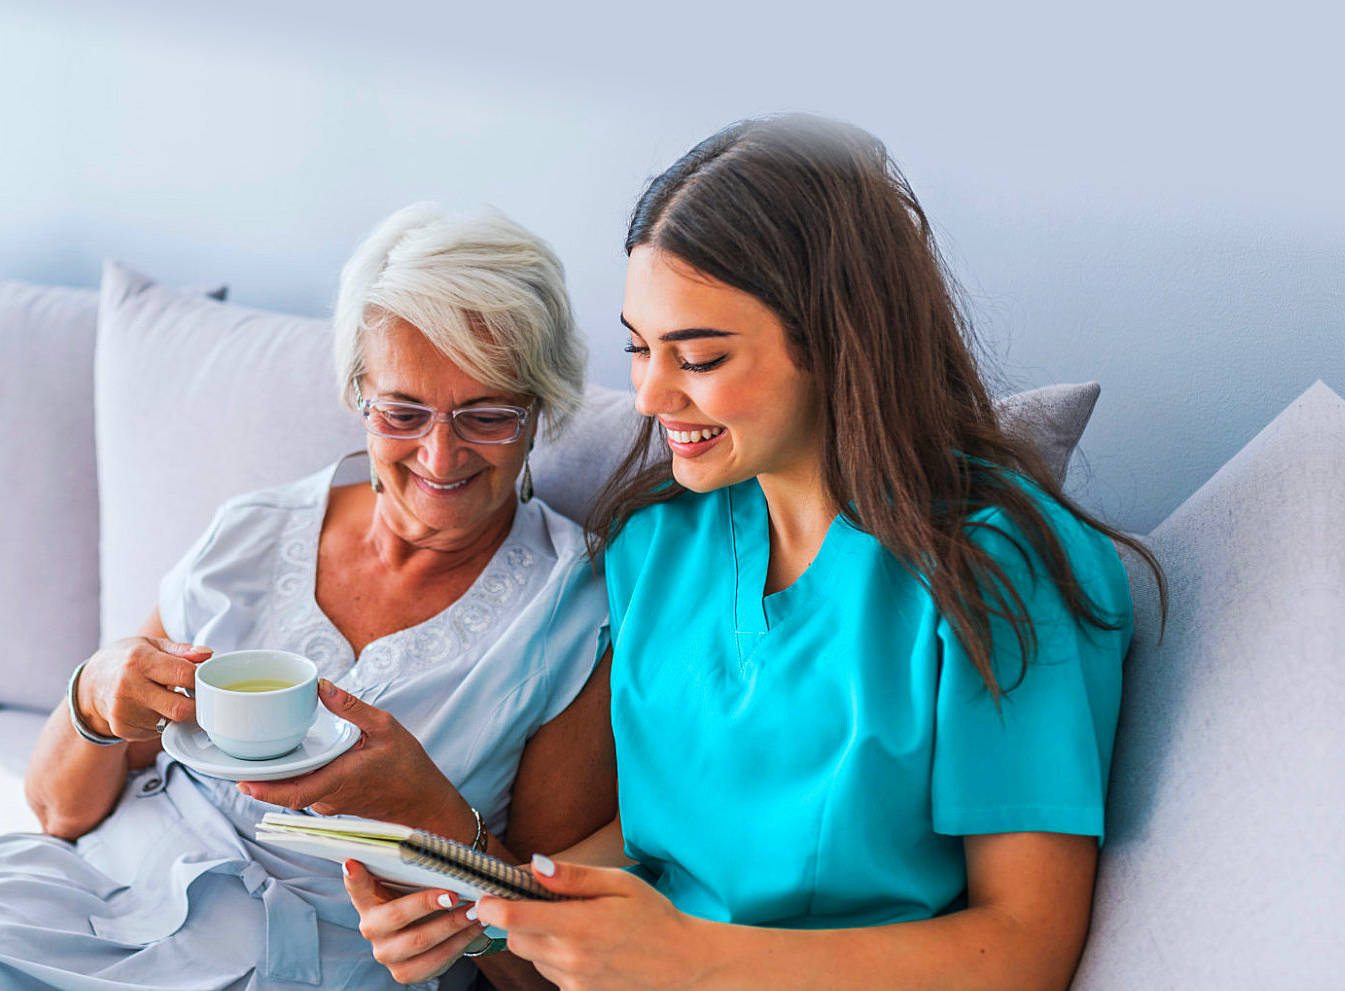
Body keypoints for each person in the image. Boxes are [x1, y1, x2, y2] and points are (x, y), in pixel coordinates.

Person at [347, 114, 1165, 991]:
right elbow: (656, 845)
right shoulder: (657, 546)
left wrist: (695, 961)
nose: (651, 394)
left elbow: (1023, 946)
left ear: (835, 341)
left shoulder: (995, 571)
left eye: (696, 355)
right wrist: (486, 917)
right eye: (638, 346)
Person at [0, 202, 616, 991]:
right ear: (360, 396)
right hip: (106, 900)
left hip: (312, 959)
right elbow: (58, 813)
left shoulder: (570, 615)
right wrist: (94, 693)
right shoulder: (255, 532)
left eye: (487, 415)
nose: (440, 452)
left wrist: (434, 819)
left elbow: (547, 973)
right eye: (402, 412)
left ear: (539, 412)